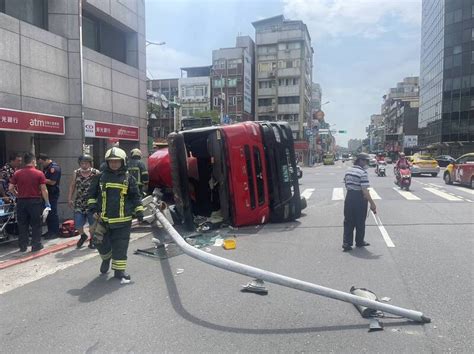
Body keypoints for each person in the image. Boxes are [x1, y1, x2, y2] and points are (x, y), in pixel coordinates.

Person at [87, 147, 144, 281]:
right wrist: (93, 208)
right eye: (111, 161)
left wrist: (139, 211)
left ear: (123, 162)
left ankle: (119, 271)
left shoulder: (129, 179)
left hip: (123, 220)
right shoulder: (99, 177)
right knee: (98, 242)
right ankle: (106, 258)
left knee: (121, 245)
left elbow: (136, 196)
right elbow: (91, 195)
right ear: (107, 162)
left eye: (117, 161)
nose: (114, 164)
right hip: (103, 220)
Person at [9, 152, 50, 252]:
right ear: (33, 161)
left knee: (22, 224)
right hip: (34, 201)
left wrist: (17, 194)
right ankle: (36, 245)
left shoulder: (17, 173)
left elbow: (10, 188)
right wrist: (47, 202)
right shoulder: (39, 173)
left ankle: (23, 246)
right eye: (35, 161)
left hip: (21, 202)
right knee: (36, 224)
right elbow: (44, 189)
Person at [342, 153, 377, 252]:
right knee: (360, 221)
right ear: (360, 161)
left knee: (348, 220)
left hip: (349, 197)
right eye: (366, 161)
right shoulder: (363, 173)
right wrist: (372, 204)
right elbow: (365, 191)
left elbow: (346, 183)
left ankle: (346, 243)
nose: (367, 163)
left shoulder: (348, 171)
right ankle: (359, 241)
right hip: (359, 198)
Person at [68, 154, 100, 249]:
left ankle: (92, 239)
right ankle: (83, 235)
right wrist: (69, 198)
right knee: (78, 223)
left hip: (92, 202)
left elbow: (100, 187)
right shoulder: (76, 173)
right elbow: (72, 186)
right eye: (82, 163)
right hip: (79, 202)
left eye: (86, 163)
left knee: (92, 224)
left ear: (90, 163)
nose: (84, 165)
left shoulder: (96, 172)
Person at [37, 153, 61, 239]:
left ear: (46, 160)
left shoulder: (54, 168)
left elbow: (52, 182)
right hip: (46, 194)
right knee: (47, 213)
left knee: (52, 213)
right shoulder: (46, 168)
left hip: (52, 193)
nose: (41, 165)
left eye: (42, 162)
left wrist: (40, 179)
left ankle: (55, 232)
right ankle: (50, 231)